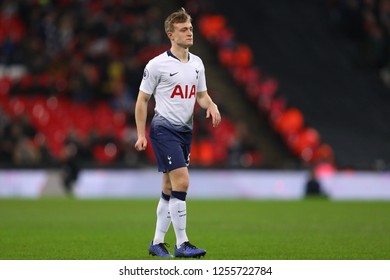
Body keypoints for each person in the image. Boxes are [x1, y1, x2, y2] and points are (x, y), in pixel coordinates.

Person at [134, 8, 221, 258]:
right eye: (184, 29)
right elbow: (142, 100)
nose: (190, 32)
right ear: (171, 35)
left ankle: (157, 242)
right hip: (163, 128)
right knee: (182, 181)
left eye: (191, 28)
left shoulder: (197, 63)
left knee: (169, 187)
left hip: (185, 130)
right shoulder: (157, 65)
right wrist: (141, 134)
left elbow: (201, 96)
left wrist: (212, 105)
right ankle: (182, 244)